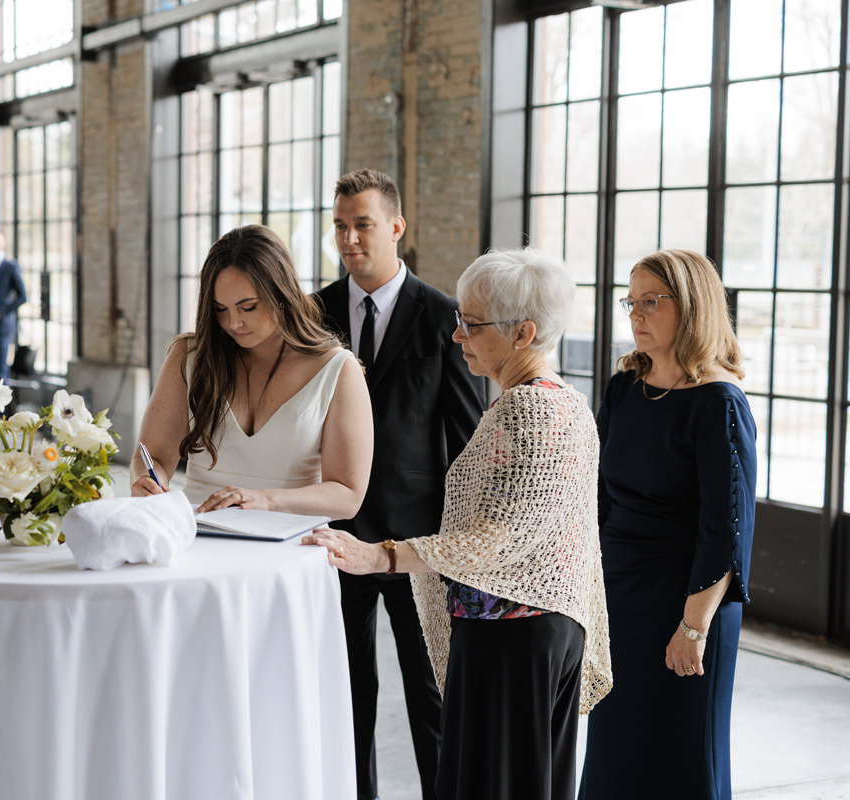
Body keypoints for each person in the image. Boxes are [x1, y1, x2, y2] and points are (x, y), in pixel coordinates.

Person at [306, 248, 612, 800]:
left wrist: (379, 555)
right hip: (542, 631)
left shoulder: (527, 410)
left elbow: (495, 540)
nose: (456, 335)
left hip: (512, 637)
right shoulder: (568, 402)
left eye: (471, 324)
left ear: (523, 333)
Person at [313, 168, 485, 800]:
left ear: (395, 227)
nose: (349, 239)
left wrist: (460, 547)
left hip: (417, 543)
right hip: (334, 537)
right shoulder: (314, 314)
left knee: (430, 693)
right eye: (340, 226)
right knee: (346, 692)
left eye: (362, 225)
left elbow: (466, 442)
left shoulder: (443, 317)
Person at [578, 250, 756, 800]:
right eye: (631, 301)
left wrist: (693, 626)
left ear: (692, 306)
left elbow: (725, 529)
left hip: (688, 604)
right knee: (616, 752)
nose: (635, 313)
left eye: (651, 301)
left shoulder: (719, 402)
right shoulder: (624, 388)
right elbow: (597, 497)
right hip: (619, 595)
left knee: (683, 757)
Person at [130, 224, 372, 521]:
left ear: (281, 294)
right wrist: (146, 481)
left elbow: (348, 495)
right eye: (220, 309)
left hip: (290, 542)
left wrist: (262, 499)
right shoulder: (189, 358)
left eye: (248, 307)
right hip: (197, 535)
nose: (233, 323)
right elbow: (151, 455)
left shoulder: (338, 369)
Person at [0, 231, 27, 380]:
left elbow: (23, 296)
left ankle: (3, 396)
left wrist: (2, 312)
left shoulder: (10, 266)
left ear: (3, 244)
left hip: (3, 324)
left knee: (1, 368)